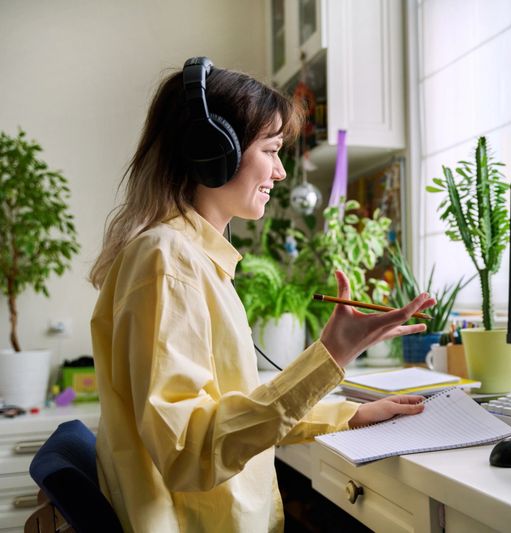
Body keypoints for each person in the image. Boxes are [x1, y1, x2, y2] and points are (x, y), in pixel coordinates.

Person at [88, 58, 435, 532]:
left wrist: (350, 412)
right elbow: (189, 450)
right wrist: (333, 352)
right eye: (271, 150)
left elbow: (234, 407)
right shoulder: (167, 261)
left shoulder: (190, 257)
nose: (280, 172)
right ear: (214, 153)